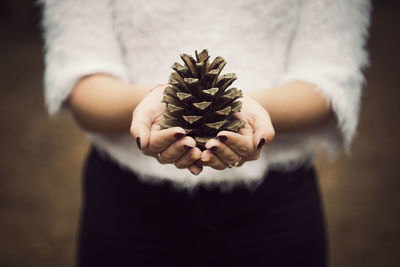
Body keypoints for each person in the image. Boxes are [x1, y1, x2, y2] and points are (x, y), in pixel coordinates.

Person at [40, 0, 371, 266]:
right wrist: (156, 103)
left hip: (275, 212)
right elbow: (80, 77)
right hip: (126, 209)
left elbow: (329, 80)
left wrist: (240, 110)